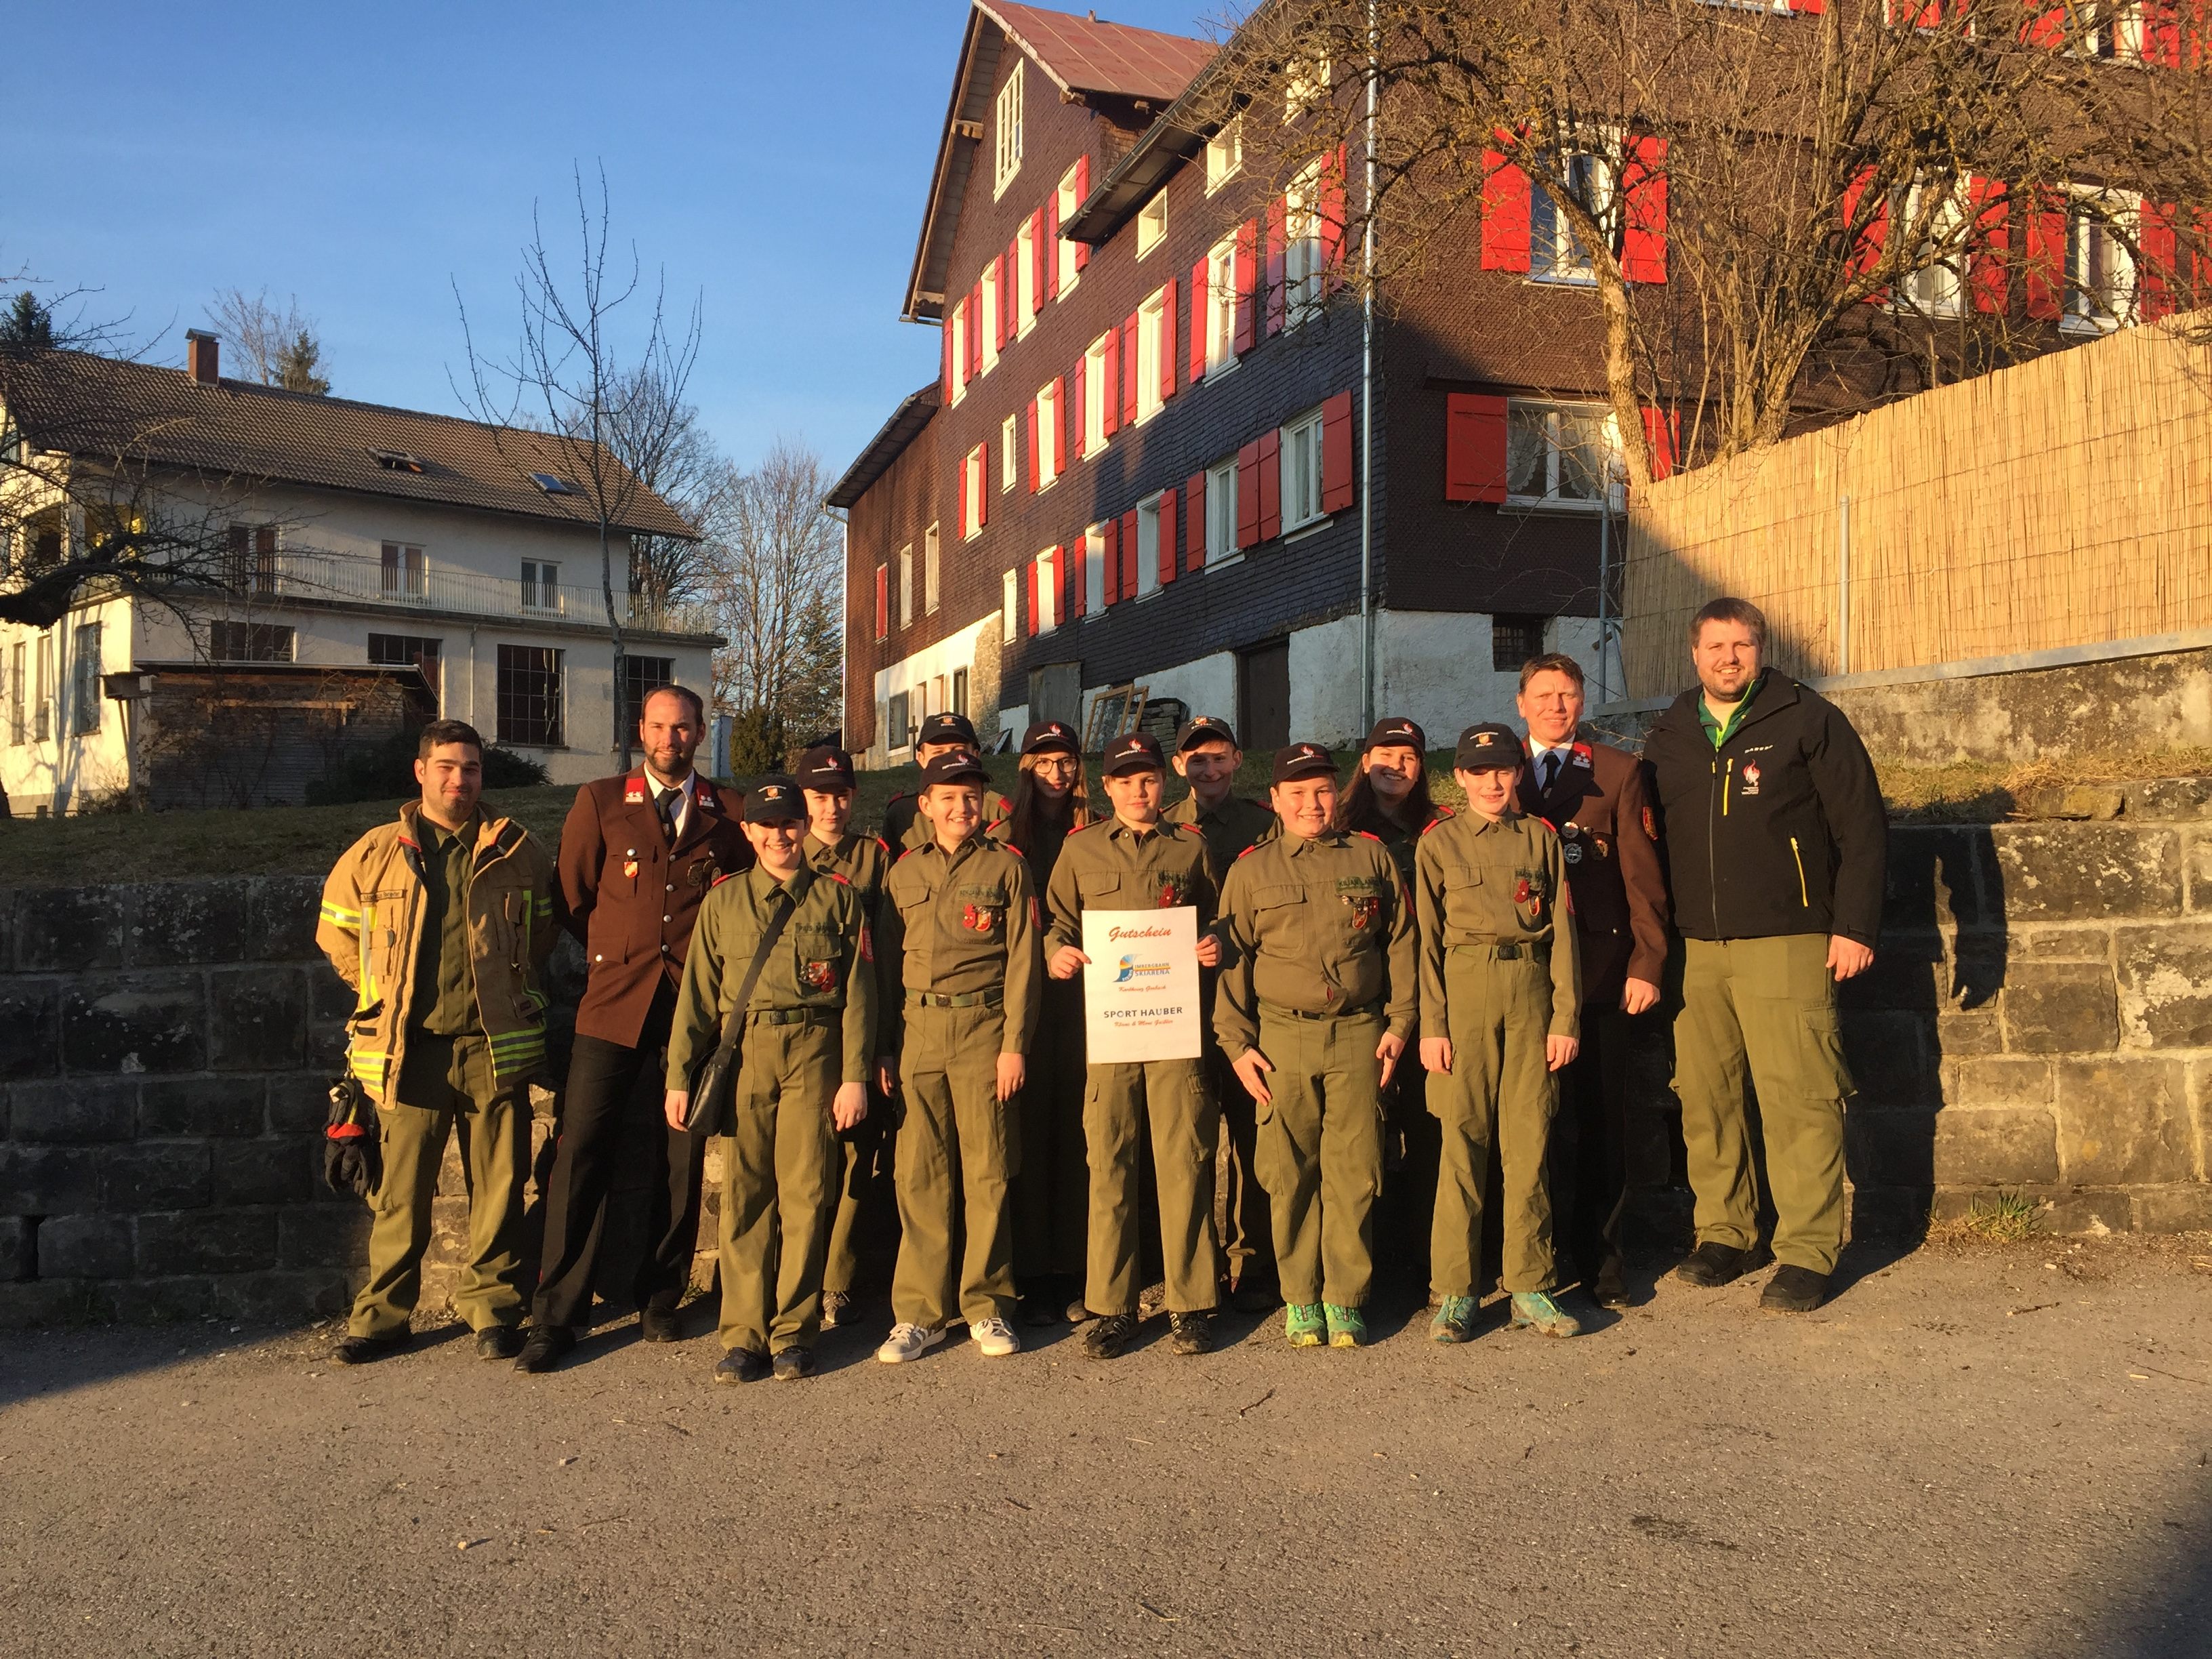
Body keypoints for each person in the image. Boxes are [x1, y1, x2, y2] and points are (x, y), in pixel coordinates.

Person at [1642, 597, 1886, 1314]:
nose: (1728, 658)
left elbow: (1862, 827)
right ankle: (1727, 1231)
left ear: (1761, 649)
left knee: (1799, 1098)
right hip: (1696, 948)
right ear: (1695, 655)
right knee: (1707, 1097)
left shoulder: (1807, 719)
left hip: (1788, 938)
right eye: (1716, 646)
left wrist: (1856, 925)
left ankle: (1807, 1250)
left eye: (1742, 645)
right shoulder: (1671, 733)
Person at [518, 687, 750, 1373]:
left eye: (683, 727)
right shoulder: (599, 801)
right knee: (582, 1148)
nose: (671, 737)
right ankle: (557, 1312)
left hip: (690, 1008)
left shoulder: (729, 813)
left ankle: (661, 1294)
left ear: (700, 732)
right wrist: (616, 952)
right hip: (612, 1004)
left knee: (680, 1156)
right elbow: (572, 897)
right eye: (659, 726)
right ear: (640, 730)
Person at [317, 720, 558, 1365]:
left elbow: (539, 939)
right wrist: (378, 991)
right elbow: (337, 936)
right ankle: (382, 1318)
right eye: (448, 767)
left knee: (500, 1189)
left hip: (490, 1048)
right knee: (399, 1194)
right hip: (409, 1052)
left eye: (473, 768)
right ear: (420, 771)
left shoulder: (519, 851)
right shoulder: (373, 853)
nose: (461, 780)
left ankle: (493, 1311)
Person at [663, 776, 876, 1382]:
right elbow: (697, 1000)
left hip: (816, 1052)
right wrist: (680, 1074)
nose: (781, 835)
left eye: (790, 824)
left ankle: (794, 1333)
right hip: (748, 1053)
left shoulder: (838, 899)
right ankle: (744, 1335)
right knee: (747, 1196)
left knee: (807, 1195)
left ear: (803, 829)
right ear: (749, 833)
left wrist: (855, 1075)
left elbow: (861, 996)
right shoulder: (724, 901)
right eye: (768, 825)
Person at [1214, 743, 1415, 1350]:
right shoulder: (1252, 871)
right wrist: (1235, 1042)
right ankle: (1301, 1296)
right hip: (1282, 1038)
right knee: (1288, 1170)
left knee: (1355, 1169)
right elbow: (1232, 960)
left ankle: (1346, 1297)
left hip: (1358, 1033)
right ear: (1274, 799)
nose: (1312, 803)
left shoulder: (1370, 858)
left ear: (1339, 794)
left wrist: (1401, 1022)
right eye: (1296, 793)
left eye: (1323, 790)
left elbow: (1400, 942)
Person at [1044, 731, 1225, 1359]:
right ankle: (1114, 1306)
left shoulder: (1192, 847)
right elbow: (1058, 920)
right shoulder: (1081, 849)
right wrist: (1056, 952)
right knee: (1111, 1163)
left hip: (1174, 1028)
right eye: (1126, 781)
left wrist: (1215, 943)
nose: (1140, 790)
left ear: (1163, 782)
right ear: (1107, 787)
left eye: (1148, 779)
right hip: (1112, 1033)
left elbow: (1219, 914)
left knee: (1183, 1162)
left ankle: (1191, 1302)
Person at [872, 750, 1043, 1362]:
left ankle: (988, 1305)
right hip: (918, 1030)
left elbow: (1024, 964)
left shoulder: (1007, 869)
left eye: (971, 797)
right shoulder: (904, 873)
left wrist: (1014, 1046)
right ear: (925, 806)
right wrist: (884, 1048)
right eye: (947, 796)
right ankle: (919, 1312)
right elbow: (885, 970)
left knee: (988, 1170)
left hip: (983, 1028)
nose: (961, 807)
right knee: (918, 1174)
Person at [1416, 723, 1583, 1344]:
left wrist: (1565, 1018)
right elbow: (1425, 944)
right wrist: (1432, 1025)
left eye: (1503, 769)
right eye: (1478, 770)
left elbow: (1563, 934)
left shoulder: (1540, 839)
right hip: (1463, 995)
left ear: (1517, 775)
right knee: (1462, 1145)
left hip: (1531, 991)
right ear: (1458, 777)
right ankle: (1457, 1290)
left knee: (1530, 1139)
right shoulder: (1438, 845)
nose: (1492, 781)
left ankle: (1531, 1284)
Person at [1515, 654, 1671, 1311]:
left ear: (1582, 702)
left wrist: (1648, 963)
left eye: (1569, 695)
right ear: (1520, 702)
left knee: (1604, 1126)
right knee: (1534, 1127)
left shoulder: (1617, 772)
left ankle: (1604, 1261)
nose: (1557, 706)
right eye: (1544, 695)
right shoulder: (1497, 773)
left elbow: (1643, 877)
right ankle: (1535, 1259)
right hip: (1524, 979)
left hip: (1601, 974)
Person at [1163, 715, 1278, 1312]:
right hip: (1173, 1006)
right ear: (1179, 766)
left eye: (1218, 758)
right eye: (1195, 760)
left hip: (1248, 1002)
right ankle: (1197, 1265)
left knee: (1253, 1134)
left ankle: (1253, 1263)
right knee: (1192, 1142)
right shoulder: (1162, 828)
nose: (1208, 769)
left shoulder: (1265, 824)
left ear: (1236, 760)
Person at [991, 718, 1094, 1323]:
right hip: (1023, 1001)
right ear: (1026, 767)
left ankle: (1078, 1265)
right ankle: (1029, 1267)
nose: (1057, 773)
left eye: (1067, 761)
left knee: (1079, 1130)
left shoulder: (1097, 830)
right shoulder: (1006, 835)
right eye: (1045, 761)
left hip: (1088, 1001)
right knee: (1026, 1133)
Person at [798, 742, 896, 1332]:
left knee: (856, 1157)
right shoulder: (784, 853)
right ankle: (796, 1275)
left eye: (840, 795)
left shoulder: (875, 858)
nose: (831, 807)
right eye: (818, 796)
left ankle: (836, 1278)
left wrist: (883, 1044)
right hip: (803, 1030)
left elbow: (884, 956)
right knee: (802, 1161)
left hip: (858, 1026)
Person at [881, 712, 1011, 851]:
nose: (949, 758)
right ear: (921, 758)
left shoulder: (996, 811)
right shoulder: (902, 814)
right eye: (938, 753)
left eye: (958, 751)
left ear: (976, 755)